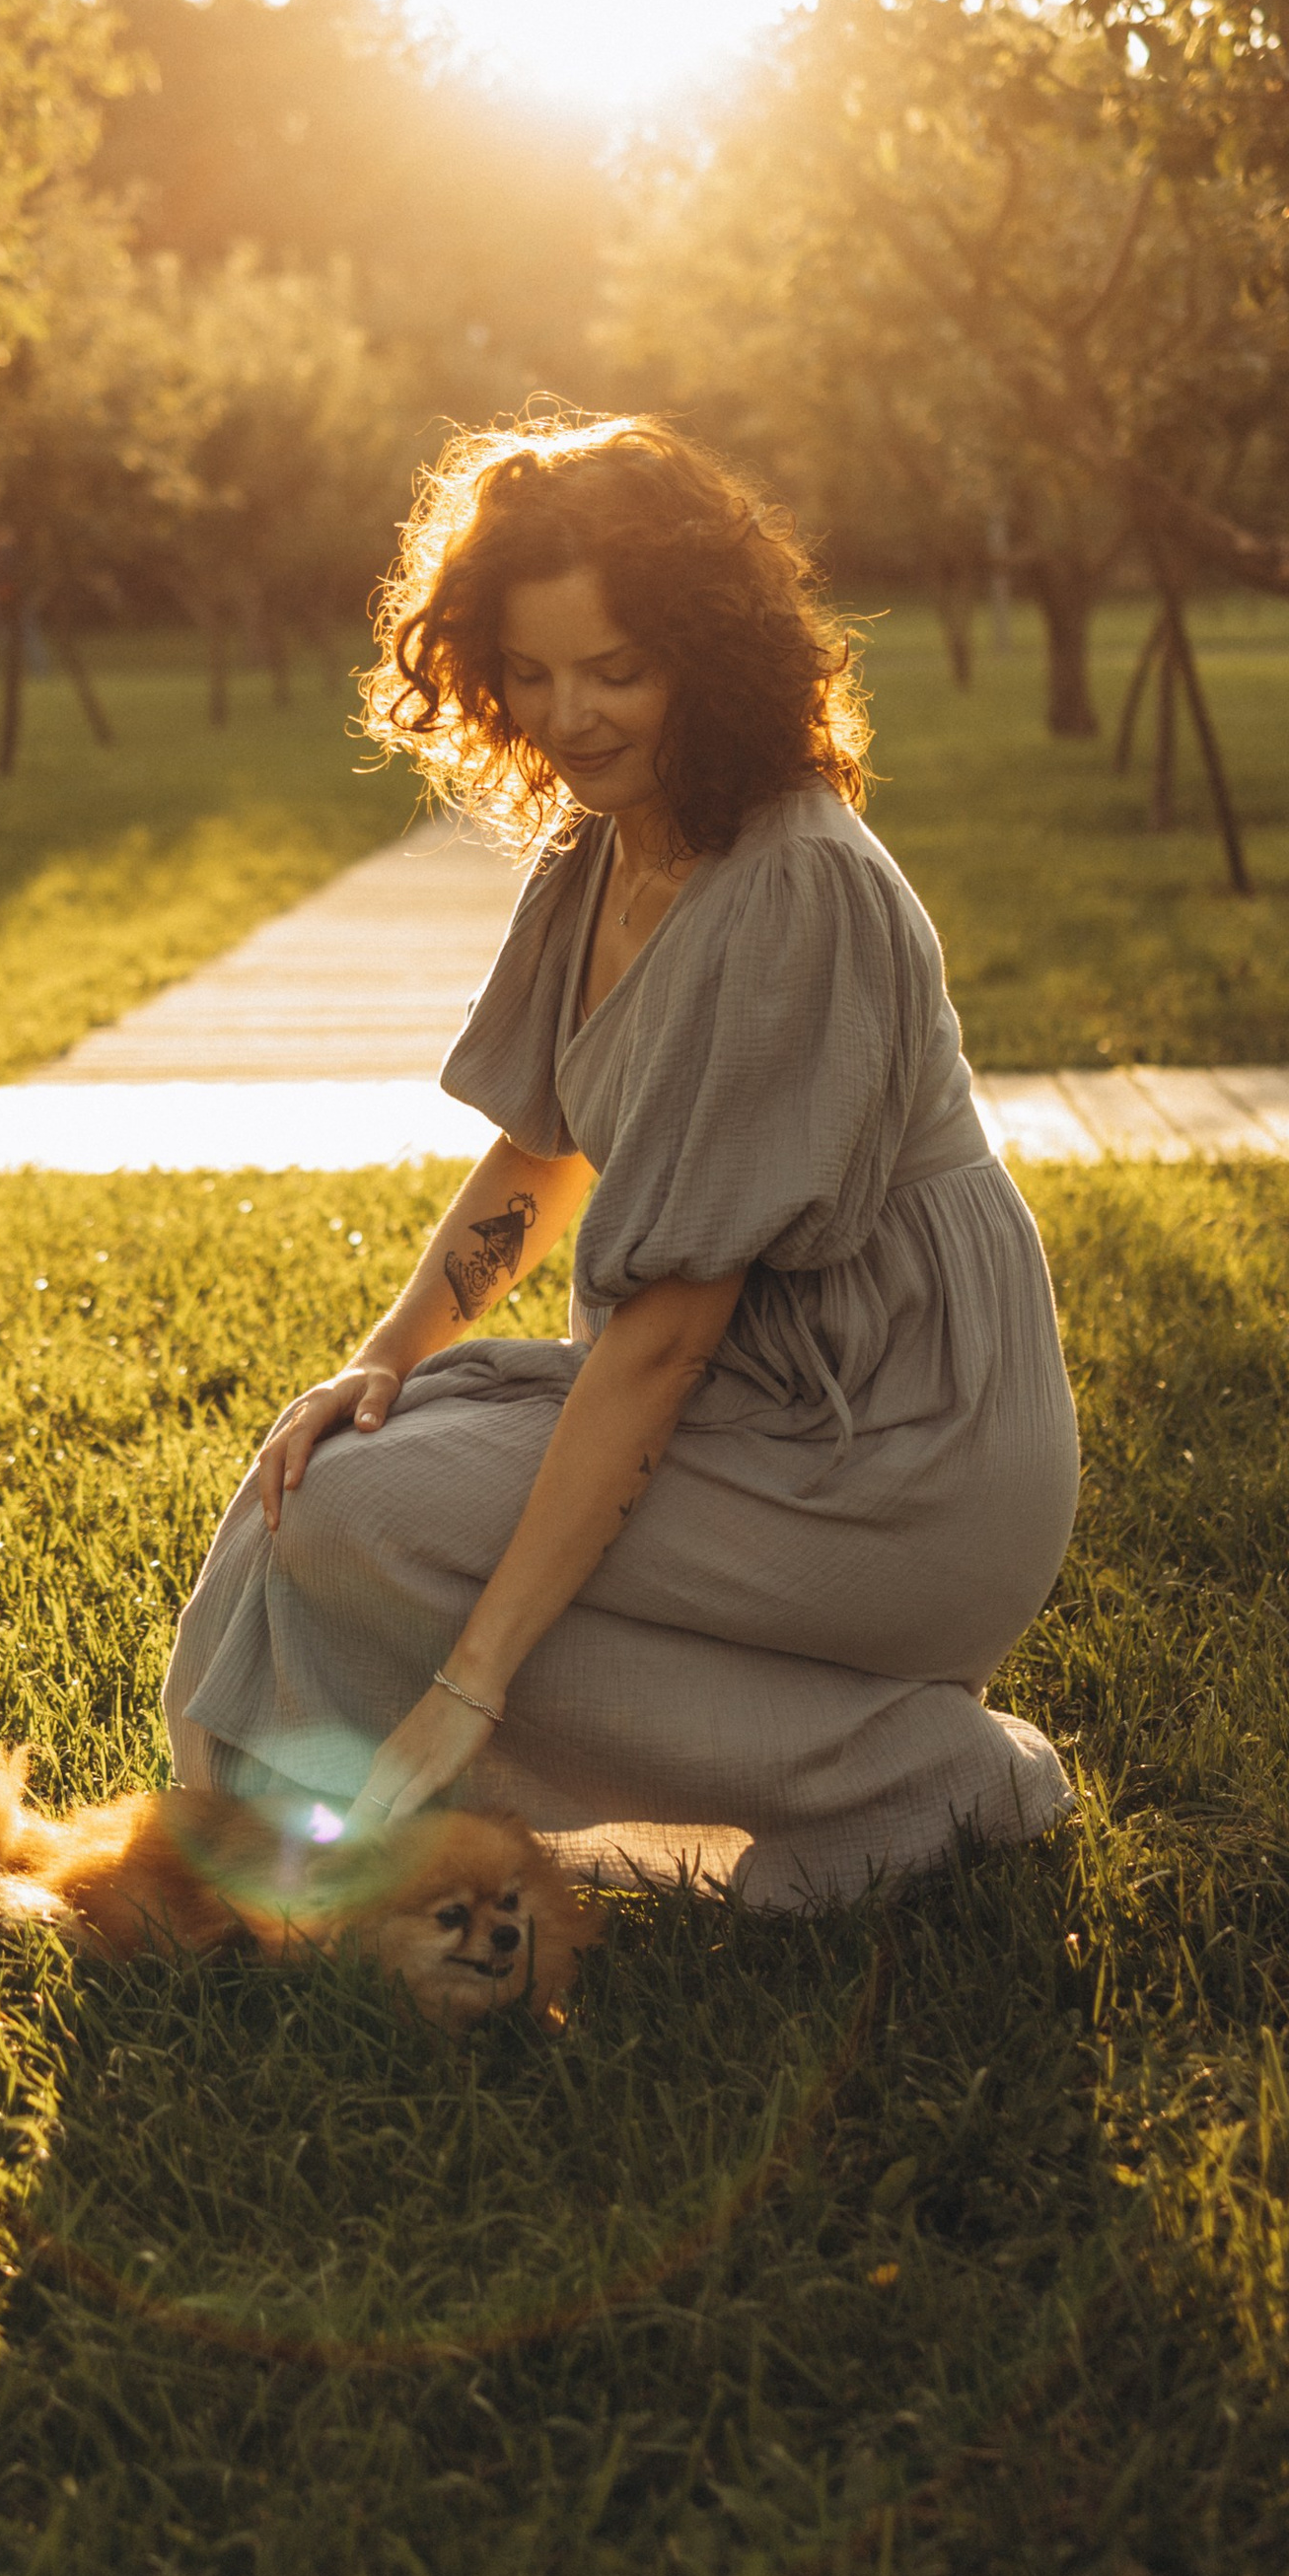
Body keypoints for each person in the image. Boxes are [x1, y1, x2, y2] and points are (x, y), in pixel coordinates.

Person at [162, 415, 1079, 1908]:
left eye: (616, 669)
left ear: (707, 657)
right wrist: (384, 1358)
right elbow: (542, 1152)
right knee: (332, 1480)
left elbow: (659, 1343)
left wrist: (470, 1686)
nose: (568, 715)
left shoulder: (795, 892)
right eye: (531, 672)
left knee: (378, 1525)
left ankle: (924, 1777)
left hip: (900, 1448)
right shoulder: (608, 847)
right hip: (752, 1406)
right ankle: (279, 1852)